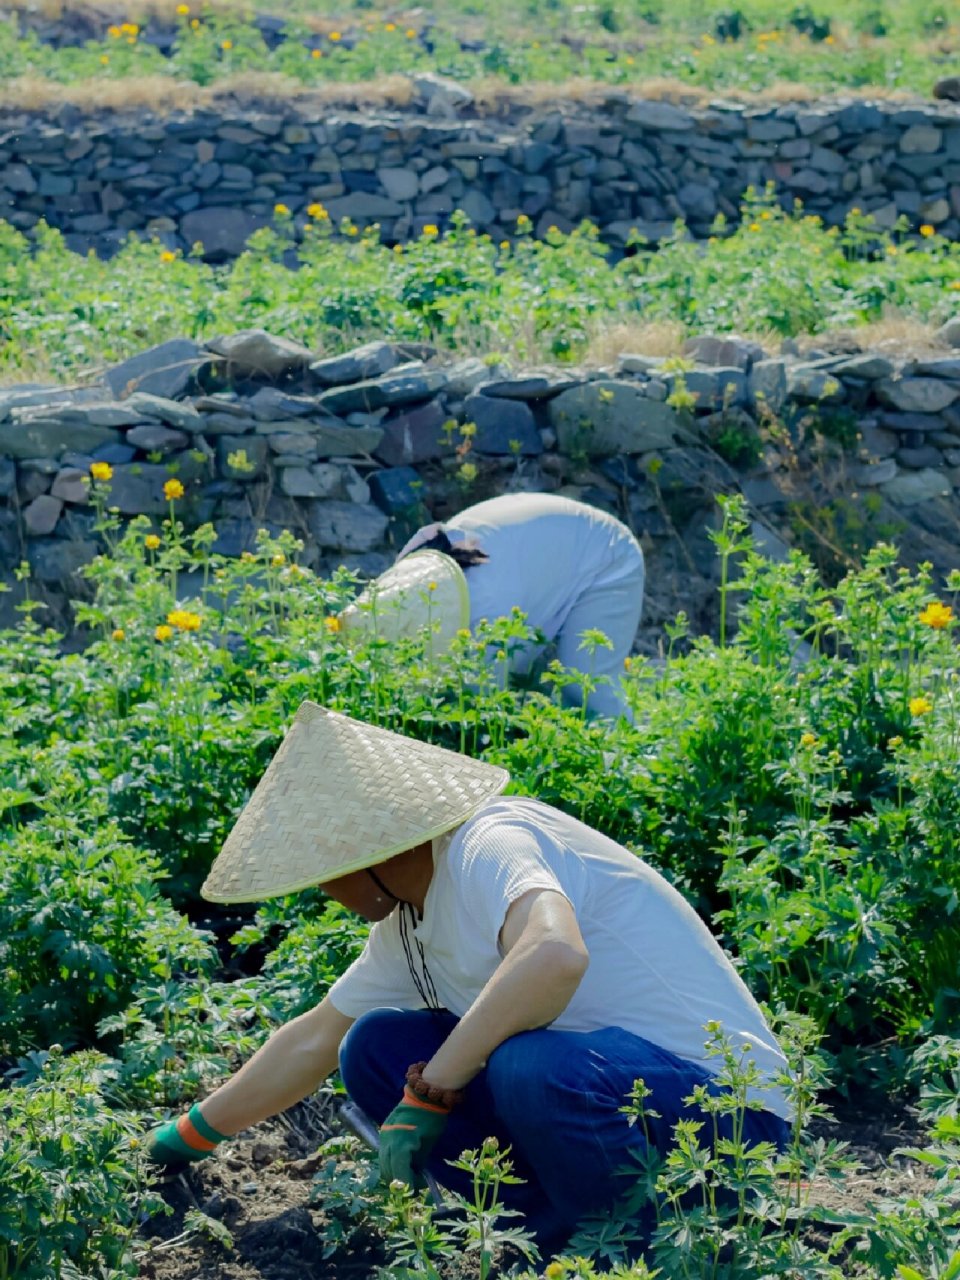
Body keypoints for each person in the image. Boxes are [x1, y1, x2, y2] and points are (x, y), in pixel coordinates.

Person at [147, 704, 791, 1255]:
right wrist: (187, 1135)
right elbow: (313, 1040)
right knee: (372, 1047)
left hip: (729, 1123)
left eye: (324, 871)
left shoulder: (492, 842)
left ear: (370, 853)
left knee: (528, 1065)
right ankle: (553, 1241)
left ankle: (633, 1247)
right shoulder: (409, 926)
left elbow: (554, 956)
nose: (323, 891)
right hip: (618, 1105)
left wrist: (433, 1091)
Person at [341, 493, 645, 721]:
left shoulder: (486, 612)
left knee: (585, 686)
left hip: (607, 554)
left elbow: (486, 709)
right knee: (534, 687)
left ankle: (628, 766)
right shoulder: (416, 568)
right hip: (543, 550)